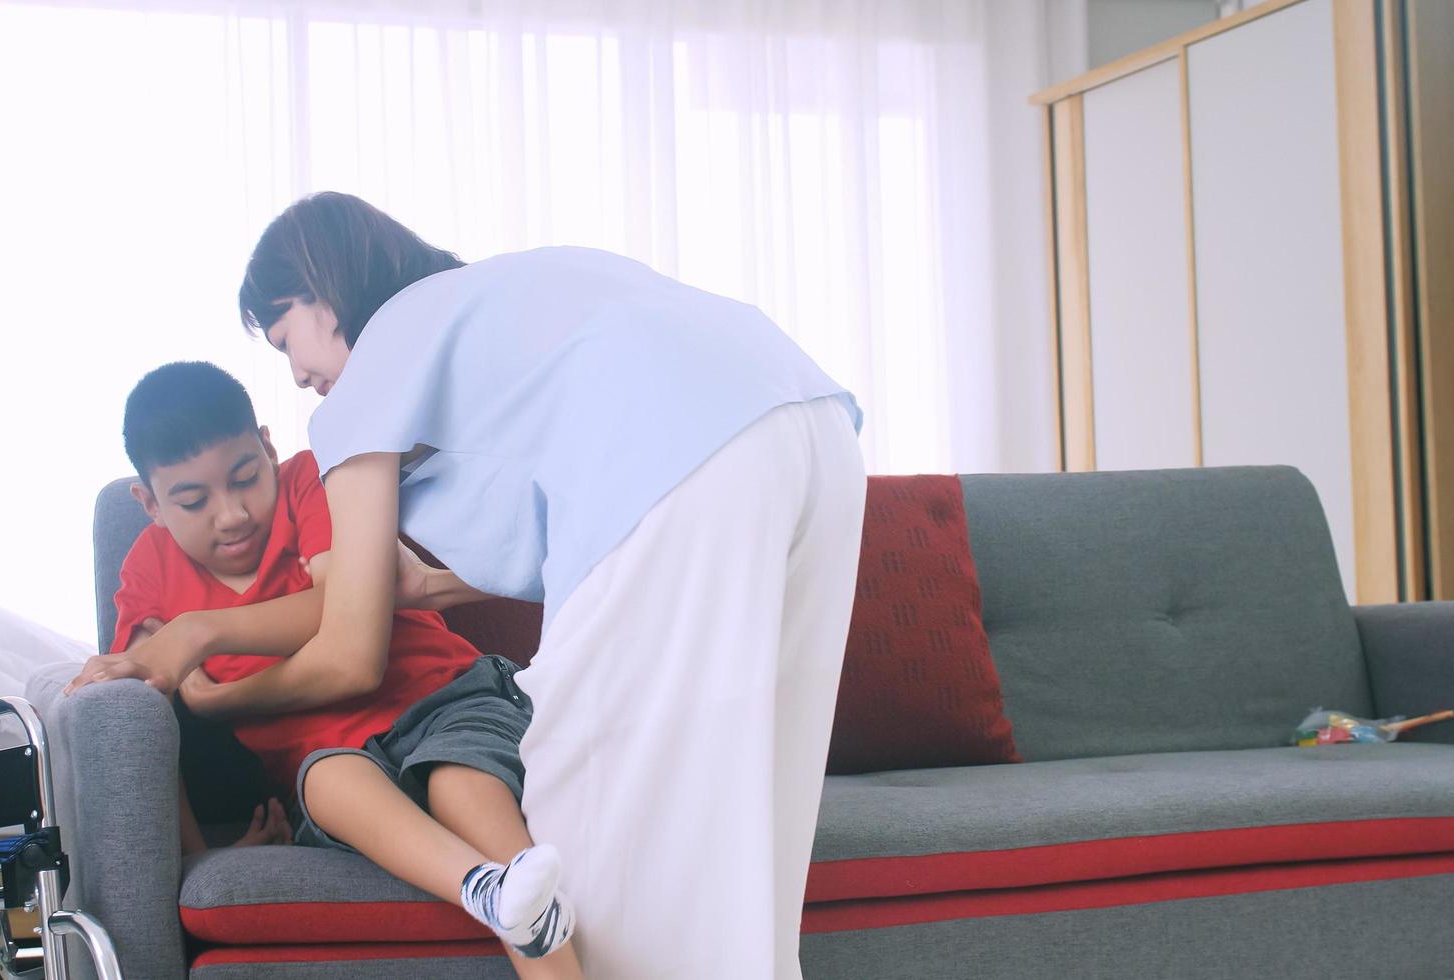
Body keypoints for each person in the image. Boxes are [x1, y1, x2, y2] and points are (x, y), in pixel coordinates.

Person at [81, 193, 866, 978]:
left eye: (288, 338)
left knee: (598, 817)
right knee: (755, 808)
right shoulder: (487, 305)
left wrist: (205, 656)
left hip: (680, 469)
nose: (296, 375)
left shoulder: (371, 378)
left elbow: (351, 655)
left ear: (320, 291)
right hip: (808, 426)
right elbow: (558, 525)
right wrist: (431, 586)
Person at [77, 361, 582, 974]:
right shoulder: (150, 568)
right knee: (328, 779)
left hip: (446, 698)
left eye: (244, 478)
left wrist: (200, 632)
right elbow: (141, 714)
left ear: (267, 447)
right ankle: (486, 887)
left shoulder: (307, 482)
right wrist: (197, 850)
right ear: (149, 503)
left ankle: (533, 929)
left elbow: (346, 600)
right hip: (330, 760)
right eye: (193, 500)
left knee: (458, 779)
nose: (231, 513)